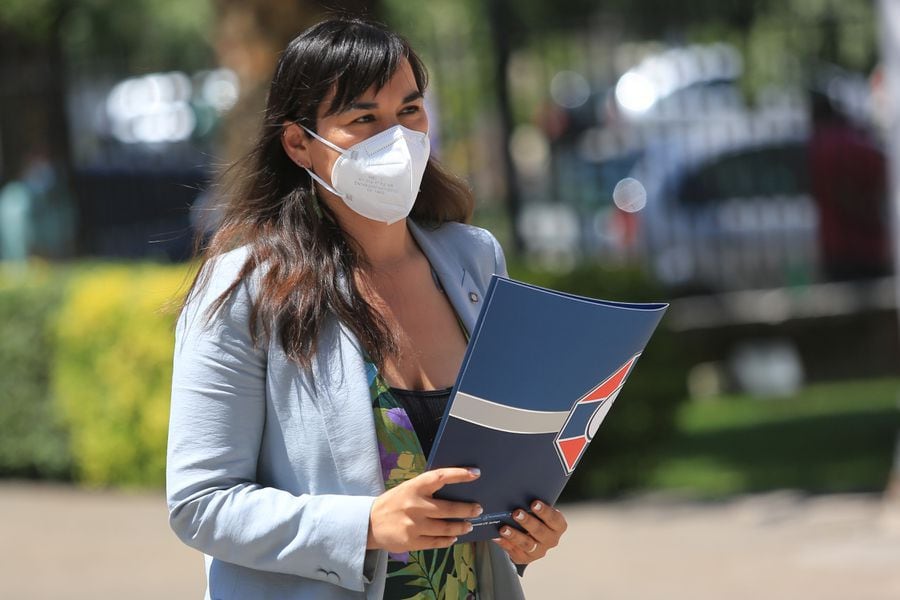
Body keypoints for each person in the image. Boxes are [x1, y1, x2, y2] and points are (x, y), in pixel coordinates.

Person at [167, 17, 567, 600]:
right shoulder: (243, 290)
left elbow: (494, 471)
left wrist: (522, 530)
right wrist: (366, 527)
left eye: (409, 110)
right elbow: (199, 503)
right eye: (364, 119)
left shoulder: (475, 259)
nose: (397, 137)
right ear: (299, 141)